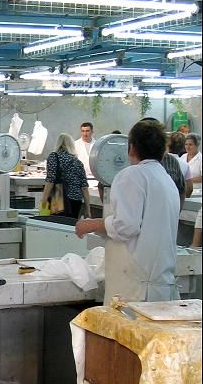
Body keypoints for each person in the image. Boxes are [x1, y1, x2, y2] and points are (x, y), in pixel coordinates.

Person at [75, 120, 180, 303]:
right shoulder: (166, 179)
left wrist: (90, 225)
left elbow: (126, 226)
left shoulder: (131, 175)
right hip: (160, 287)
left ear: (131, 148)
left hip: (135, 290)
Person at [39, 133, 90, 219]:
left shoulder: (54, 157)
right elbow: (84, 187)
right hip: (76, 201)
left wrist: (44, 199)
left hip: (59, 198)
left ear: (58, 143)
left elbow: (50, 180)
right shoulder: (78, 162)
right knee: (71, 225)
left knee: (58, 225)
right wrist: (87, 209)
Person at [167, 132, 193, 198]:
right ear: (182, 147)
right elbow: (189, 188)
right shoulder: (185, 165)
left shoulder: (159, 161)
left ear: (168, 144)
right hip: (177, 199)